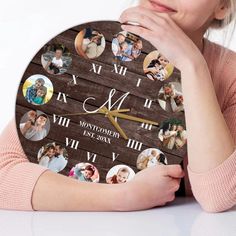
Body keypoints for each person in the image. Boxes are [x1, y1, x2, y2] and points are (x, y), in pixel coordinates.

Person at [0, 0, 236, 213]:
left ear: (222, 6)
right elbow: (4, 172)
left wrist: (192, 63)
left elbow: (216, 196)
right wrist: (122, 197)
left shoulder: (229, 74)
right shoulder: (95, 48)